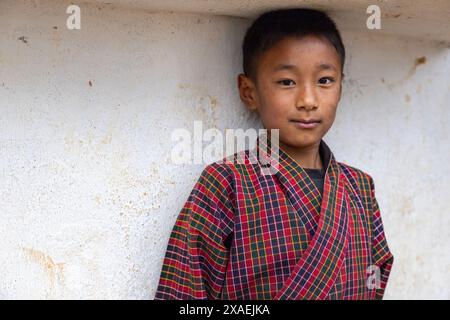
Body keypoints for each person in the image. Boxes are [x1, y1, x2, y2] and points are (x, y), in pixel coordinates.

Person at [155, 8, 394, 300]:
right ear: (249, 91)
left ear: (341, 86)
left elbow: (375, 277)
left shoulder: (359, 187)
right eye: (286, 82)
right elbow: (184, 294)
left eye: (325, 81)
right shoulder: (228, 183)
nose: (308, 100)